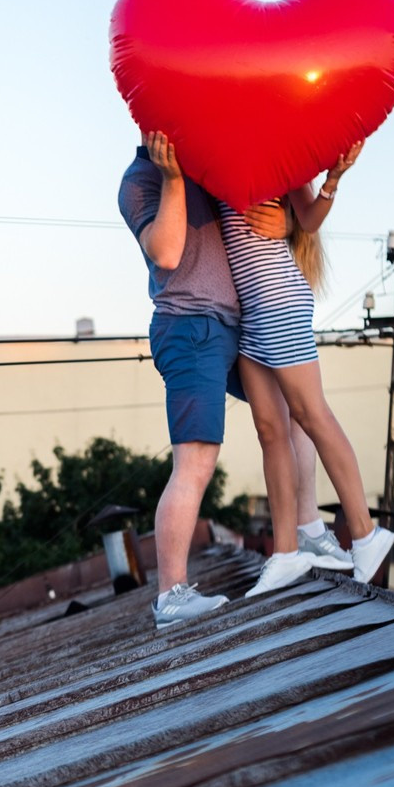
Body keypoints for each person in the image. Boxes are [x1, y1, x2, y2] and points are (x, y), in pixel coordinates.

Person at [120, 131, 316, 627]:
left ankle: (308, 531)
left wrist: (288, 218)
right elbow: (166, 252)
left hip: (234, 324)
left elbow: (253, 222)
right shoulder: (140, 181)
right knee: (195, 462)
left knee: (296, 414)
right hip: (191, 328)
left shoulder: (205, 166)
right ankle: (171, 595)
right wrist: (171, 177)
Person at [219, 142, 394, 589]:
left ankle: (365, 533)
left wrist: (332, 182)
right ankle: (286, 554)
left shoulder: (278, 147)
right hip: (249, 312)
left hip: (279, 299)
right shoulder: (216, 145)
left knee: (311, 414)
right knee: (271, 433)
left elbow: (311, 218)